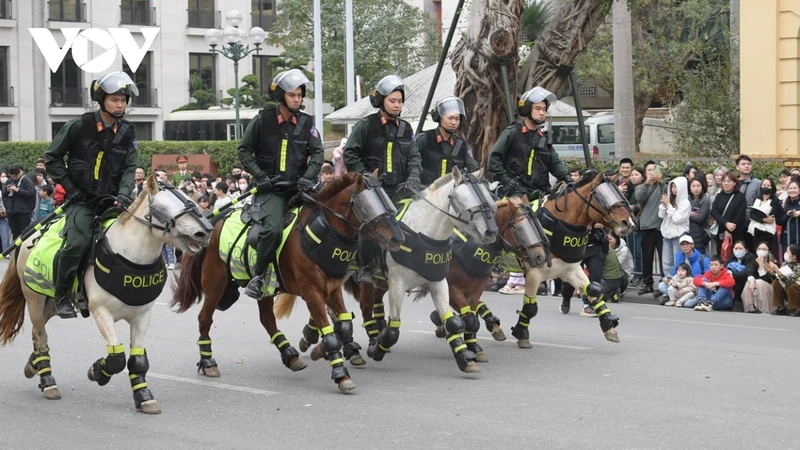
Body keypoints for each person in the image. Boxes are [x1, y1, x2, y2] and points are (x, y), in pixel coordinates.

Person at [44, 71, 139, 319]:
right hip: (82, 202)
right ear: (102, 100)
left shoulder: (128, 131)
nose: (121, 104)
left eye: (124, 100)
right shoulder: (78, 125)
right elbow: (52, 158)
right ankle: (62, 295)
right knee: (76, 244)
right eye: (115, 99)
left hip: (114, 201)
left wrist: (125, 193)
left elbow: (130, 167)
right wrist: (70, 188)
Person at [237, 69, 324, 298]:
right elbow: (244, 151)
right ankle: (259, 275)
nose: (297, 99)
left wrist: (310, 176)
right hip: (272, 190)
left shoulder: (307, 123)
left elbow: (317, 153)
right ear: (281, 96)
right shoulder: (262, 119)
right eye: (292, 95)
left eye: (300, 95)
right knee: (272, 229)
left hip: (301, 188)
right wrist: (260, 176)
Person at [344, 74, 422, 284]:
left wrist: (414, 176)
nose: (397, 105)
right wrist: (366, 175)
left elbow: (414, 156)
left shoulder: (407, 128)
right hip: (372, 191)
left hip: (401, 189)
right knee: (372, 225)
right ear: (381, 101)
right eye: (392, 101)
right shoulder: (366, 125)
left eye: (400, 101)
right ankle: (366, 266)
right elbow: (350, 154)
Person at [488, 86, 571, 200]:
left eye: (544, 109)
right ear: (527, 109)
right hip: (516, 193)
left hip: (541, 194)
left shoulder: (543, 139)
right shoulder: (512, 133)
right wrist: (507, 182)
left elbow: (555, 162)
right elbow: (494, 160)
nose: (542, 113)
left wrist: (568, 178)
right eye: (538, 108)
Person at [417, 97, 479, 187]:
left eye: (457, 119)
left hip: (451, 196)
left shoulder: (460, 145)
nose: (453, 122)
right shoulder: (424, 139)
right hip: (425, 194)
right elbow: (411, 164)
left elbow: (475, 170)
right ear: (439, 118)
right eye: (450, 118)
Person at [635, 161, 665, 295]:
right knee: (647, 258)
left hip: (661, 227)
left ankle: (665, 283)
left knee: (664, 257)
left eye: (654, 170)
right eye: (649, 170)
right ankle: (648, 284)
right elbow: (638, 197)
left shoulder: (664, 185)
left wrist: (661, 182)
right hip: (646, 226)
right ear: (645, 173)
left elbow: (668, 195)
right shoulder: (641, 187)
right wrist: (647, 183)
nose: (651, 172)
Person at [656, 235, 710, 302]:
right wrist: (666, 279)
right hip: (681, 284)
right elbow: (674, 274)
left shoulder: (703, 259)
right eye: (682, 245)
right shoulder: (679, 257)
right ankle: (680, 298)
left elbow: (708, 277)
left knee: (688, 304)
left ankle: (676, 298)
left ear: (692, 245)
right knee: (661, 285)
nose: (685, 246)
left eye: (687, 244)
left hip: (694, 287)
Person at [658, 176, 690, 278]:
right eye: (672, 187)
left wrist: (668, 205)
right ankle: (668, 283)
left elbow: (677, 219)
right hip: (667, 235)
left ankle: (679, 282)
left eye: (675, 187)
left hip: (679, 236)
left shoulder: (685, 203)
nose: (673, 189)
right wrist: (664, 204)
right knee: (667, 262)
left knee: (678, 261)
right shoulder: (670, 200)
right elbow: (661, 215)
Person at [710, 172, 747, 255]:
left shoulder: (740, 196)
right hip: (722, 230)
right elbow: (714, 211)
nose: (726, 183)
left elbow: (741, 213)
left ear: (734, 183)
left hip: (737, 230)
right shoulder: (719, 196)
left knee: (737, 253)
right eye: (724, 181)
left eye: (729, 181)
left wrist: (731, 227)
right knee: (722, 254)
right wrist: (726, 224)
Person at [747, 177, 783, 258]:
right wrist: (763, 219)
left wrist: (760, 216)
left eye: (768, 185)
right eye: (764, 185)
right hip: (757, 232)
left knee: (771, 256)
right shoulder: (756, 199)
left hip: (769, 233)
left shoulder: (774, 200)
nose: (766, 187)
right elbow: (752, 214)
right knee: (757, 255)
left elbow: (771, 216)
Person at [742, 242, 776, 314]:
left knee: (759, 282)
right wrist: (751, 282)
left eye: (764, 249)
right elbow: (750, 273)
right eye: (759, 249)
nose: (761, 251)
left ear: (769, 251)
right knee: (749, 283)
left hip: (770, 288)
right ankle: (751, 308)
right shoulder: (754, 261)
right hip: (756, 288)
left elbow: (768, 279)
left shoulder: (773, 263)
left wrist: (761, 266)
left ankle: (762, 308)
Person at [3, 165, 36, 239]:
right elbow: (3, 195)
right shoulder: (9, 181)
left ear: (19, 173)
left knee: (24, 233)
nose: (13, 178)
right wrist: (6, 190)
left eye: (15, 176)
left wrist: (18, 190)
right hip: (11, 211)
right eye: (11, 176)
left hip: (23, 212)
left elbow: (31, 194)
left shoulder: (26, 180)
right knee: (15, 234)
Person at [769, 243, 800, 316]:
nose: (785, 253)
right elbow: (778, 278)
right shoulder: (785, 263)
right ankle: (780, 307)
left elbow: (788, 281)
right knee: (776, 282)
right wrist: (772, 272)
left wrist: (778, 271)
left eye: (788, 252)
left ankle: (795, 308)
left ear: (794, 256)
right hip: (787, 290)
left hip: (796, 291)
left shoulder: (798, 267)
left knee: (792, 285)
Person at [725, 240, 757, 305]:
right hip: (732, 279)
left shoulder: (751, 258)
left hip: (746, 279)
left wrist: (732, 275)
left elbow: (747, 271)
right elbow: (724, 269)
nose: (738, 250)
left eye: (740, 248)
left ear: (746, 250)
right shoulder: (731, 257)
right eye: (736, 248)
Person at [688, 176, 711, 254]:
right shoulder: (687, 199)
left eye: (698, 186)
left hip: (702, 232)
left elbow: (700, 218)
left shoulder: (705, 200)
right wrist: (690, 214)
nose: (696, 188)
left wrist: (687, 215)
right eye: (693, 186)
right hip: (690, 231)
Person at [778, 177, 800, 252]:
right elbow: (779, 221)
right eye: (790, 188)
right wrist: (787, 215)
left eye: (795, 188)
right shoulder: (783, 203)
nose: (792, 190)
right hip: (787, 239)